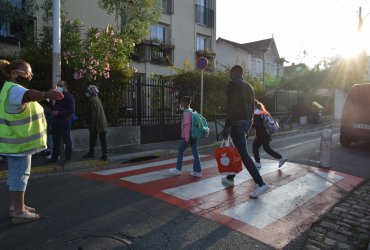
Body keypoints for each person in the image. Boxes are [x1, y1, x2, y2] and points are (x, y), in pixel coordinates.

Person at [0, 59, 63, 224]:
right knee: (20, 175)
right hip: (19, 144)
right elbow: (28, 95)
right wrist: (45, 94)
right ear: (15, 74)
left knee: (17, 175)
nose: (30, 76)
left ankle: (17, 206)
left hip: (16, 143)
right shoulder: (15, 90)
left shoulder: (9, 89)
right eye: (28, 72)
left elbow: (27, 99)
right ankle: (19, 211)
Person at [221, 65, 269, 198]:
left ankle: (260, 184)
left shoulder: (233, 84)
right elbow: (252, 105)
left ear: (235, 72)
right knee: (238, 151)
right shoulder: (249, 86)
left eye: (231, 73)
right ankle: (230, 178)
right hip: (247, 121)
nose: (230, 76)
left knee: (243, 153)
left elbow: (231, 106)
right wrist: (250, 123)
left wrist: (226, 126)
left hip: (237, 122)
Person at [169, 96, 202, 177]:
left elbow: (187, 126)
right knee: (195, 153)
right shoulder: (192, 111)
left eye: (182, 102)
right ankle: (197, 171)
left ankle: (178, 169)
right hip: (194, 135)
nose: (181, 103)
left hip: (187, 136)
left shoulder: (186, 112)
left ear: (186, 103)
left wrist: (186, 138)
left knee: (180, 150)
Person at [252, 100, 287, 169]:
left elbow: (258, 124)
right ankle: (281, 158)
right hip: (267, 133)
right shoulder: (262, 111)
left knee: (255, 147)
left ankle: (257, 163)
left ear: (253, 105)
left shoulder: (256, 112)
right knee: (266, 148)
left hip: (262, 133)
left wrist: (253, 125)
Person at [47, 80, 75, 165]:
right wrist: (50, 110)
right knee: (56, 140)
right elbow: (56, 107)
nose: (58, 87)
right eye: (57, 85)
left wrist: (58, 113)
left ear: (65, 87)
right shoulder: (59, 96)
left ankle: (68, 158)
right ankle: (54, 157)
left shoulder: (69, 97)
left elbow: (71, 110)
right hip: (56, 121)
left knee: (66, 140)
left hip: (64, 121)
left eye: (60, 85)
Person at [82, 85, 108, 161]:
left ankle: (92, 153)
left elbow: (93, 114)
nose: (87, 93)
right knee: (102, 139)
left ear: (91, 92)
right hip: (101, 122)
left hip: (97, 123)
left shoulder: (92, 100)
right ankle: (103, 154)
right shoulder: (96, 98)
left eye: (88, 91)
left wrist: (92, 126)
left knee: (94, 138)